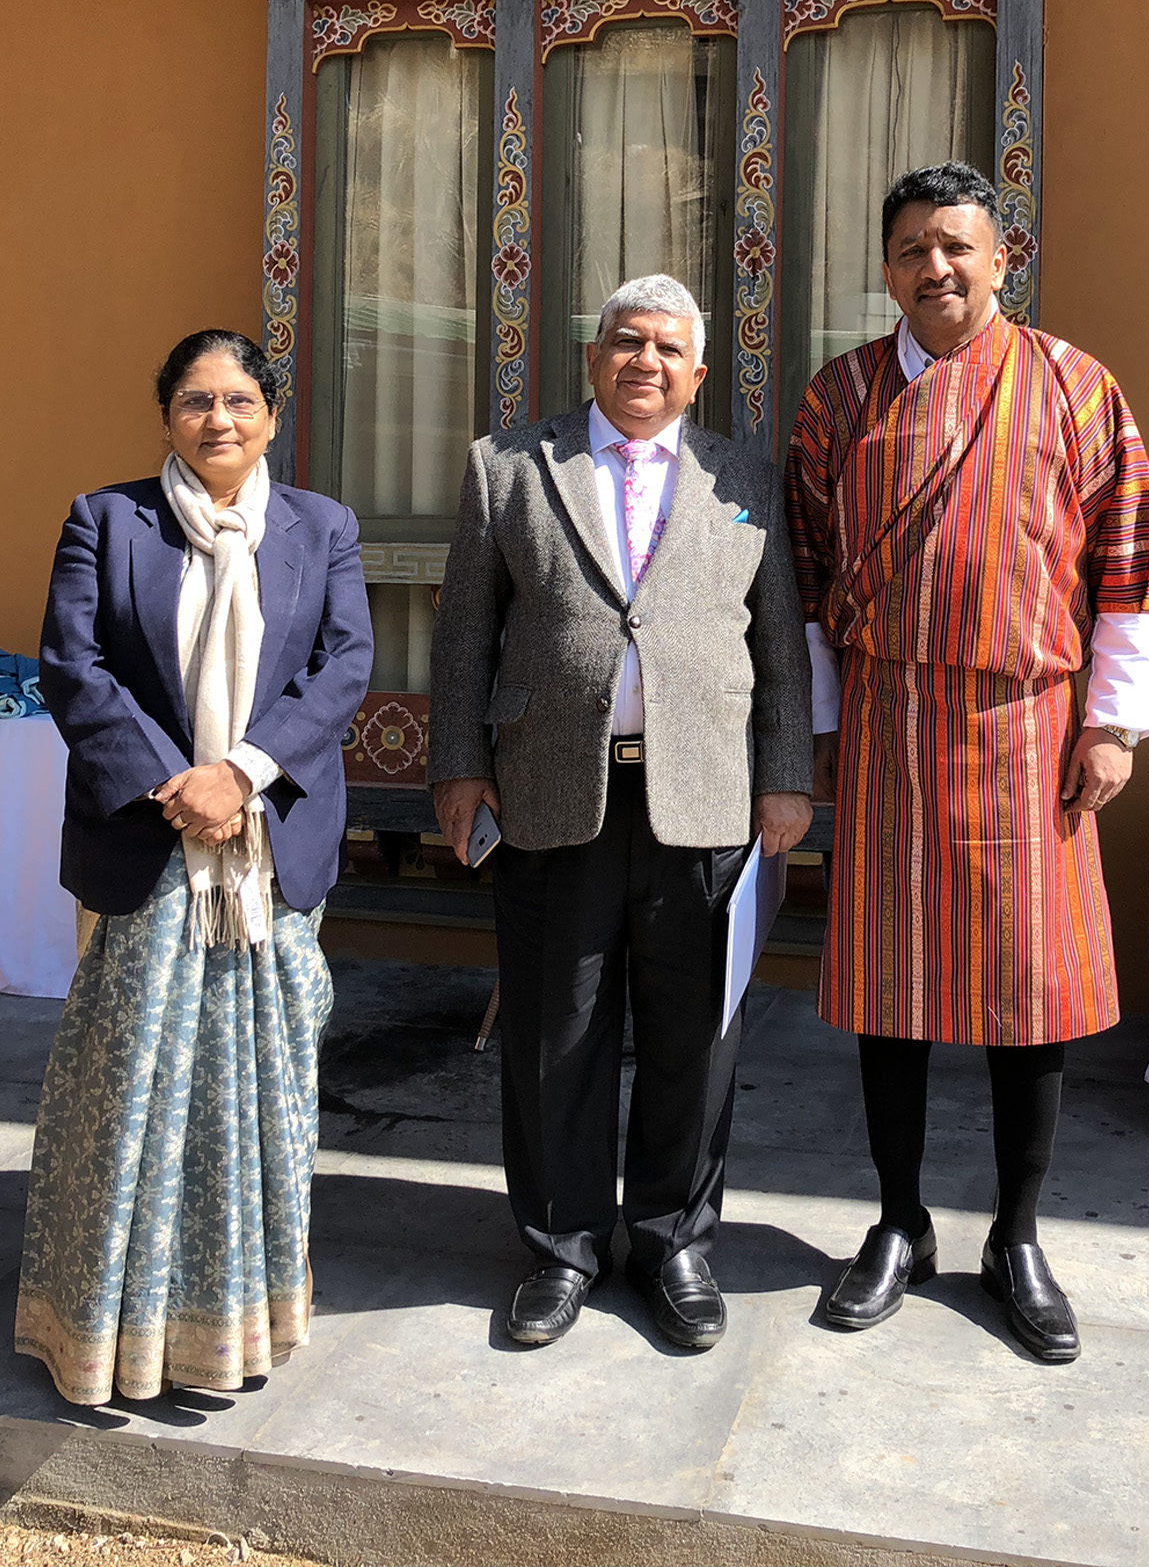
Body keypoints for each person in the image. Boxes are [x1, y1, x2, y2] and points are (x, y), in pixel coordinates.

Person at [786, 162, 1149, 1364]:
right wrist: (823, 722)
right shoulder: (839, 397)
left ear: (1001, 258)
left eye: (956, 247)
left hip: (1033, 728)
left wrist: (1111, 721)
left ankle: (1016, 1232)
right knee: (892, 991)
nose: (935, 269)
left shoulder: (1075, 387)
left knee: (1030, 995)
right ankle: (899, 1223)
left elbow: (1133, 558)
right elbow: (800, 574)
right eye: (910, 250)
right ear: (886, 269)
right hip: (891, 721)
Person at [429, 275, 813, 1350]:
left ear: (697, 373)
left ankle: (672, 1240)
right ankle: (561, 1246)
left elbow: (777, 639)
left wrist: (787, 774)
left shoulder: (742, 475)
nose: (646, 361)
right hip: (554, 789)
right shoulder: (510, 466)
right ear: (594, 359)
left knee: (698, 1029)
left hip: (707, 798)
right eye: (626, 342)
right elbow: (463, 632)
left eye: (668, 349)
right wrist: (458, 769)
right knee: (559, 1026)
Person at [16, 329, 373, 1405]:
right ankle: (105, 1334)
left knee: (257, 1096)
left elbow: (343, 666)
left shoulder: (324, 526)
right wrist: (181, 786)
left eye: (238, 401)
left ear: (271, 414)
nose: (218, 420)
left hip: (267, 847)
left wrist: (244, 775)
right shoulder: (105, 519)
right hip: (146, 841)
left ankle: (232, 1330)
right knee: (130, 1090)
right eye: (194, 402)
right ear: (165, 414)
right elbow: (71, 668)